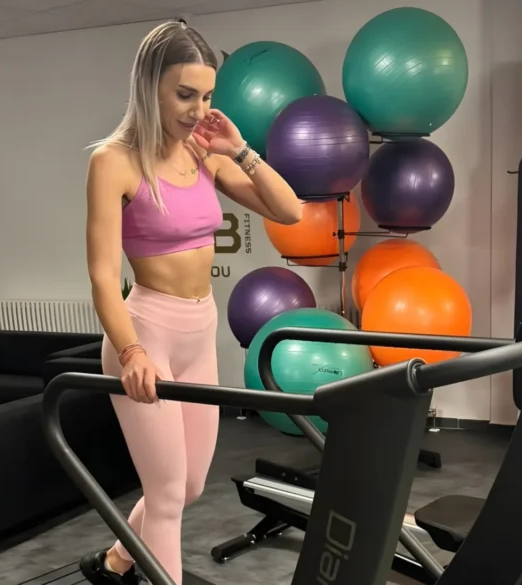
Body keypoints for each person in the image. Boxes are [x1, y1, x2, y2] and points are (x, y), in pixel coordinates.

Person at [79, 20, 303, 585]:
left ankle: (114, 562)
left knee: (190, 486)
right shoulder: (112, 162)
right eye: (185, 95)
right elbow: (103, 275)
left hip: (199, 329)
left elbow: (290, 211)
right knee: (166, 495)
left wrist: (240, 149)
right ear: (149, 85)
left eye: (206, 96)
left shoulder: (203, 152)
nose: (197, 109)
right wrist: (130, 351)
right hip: (146, 331)